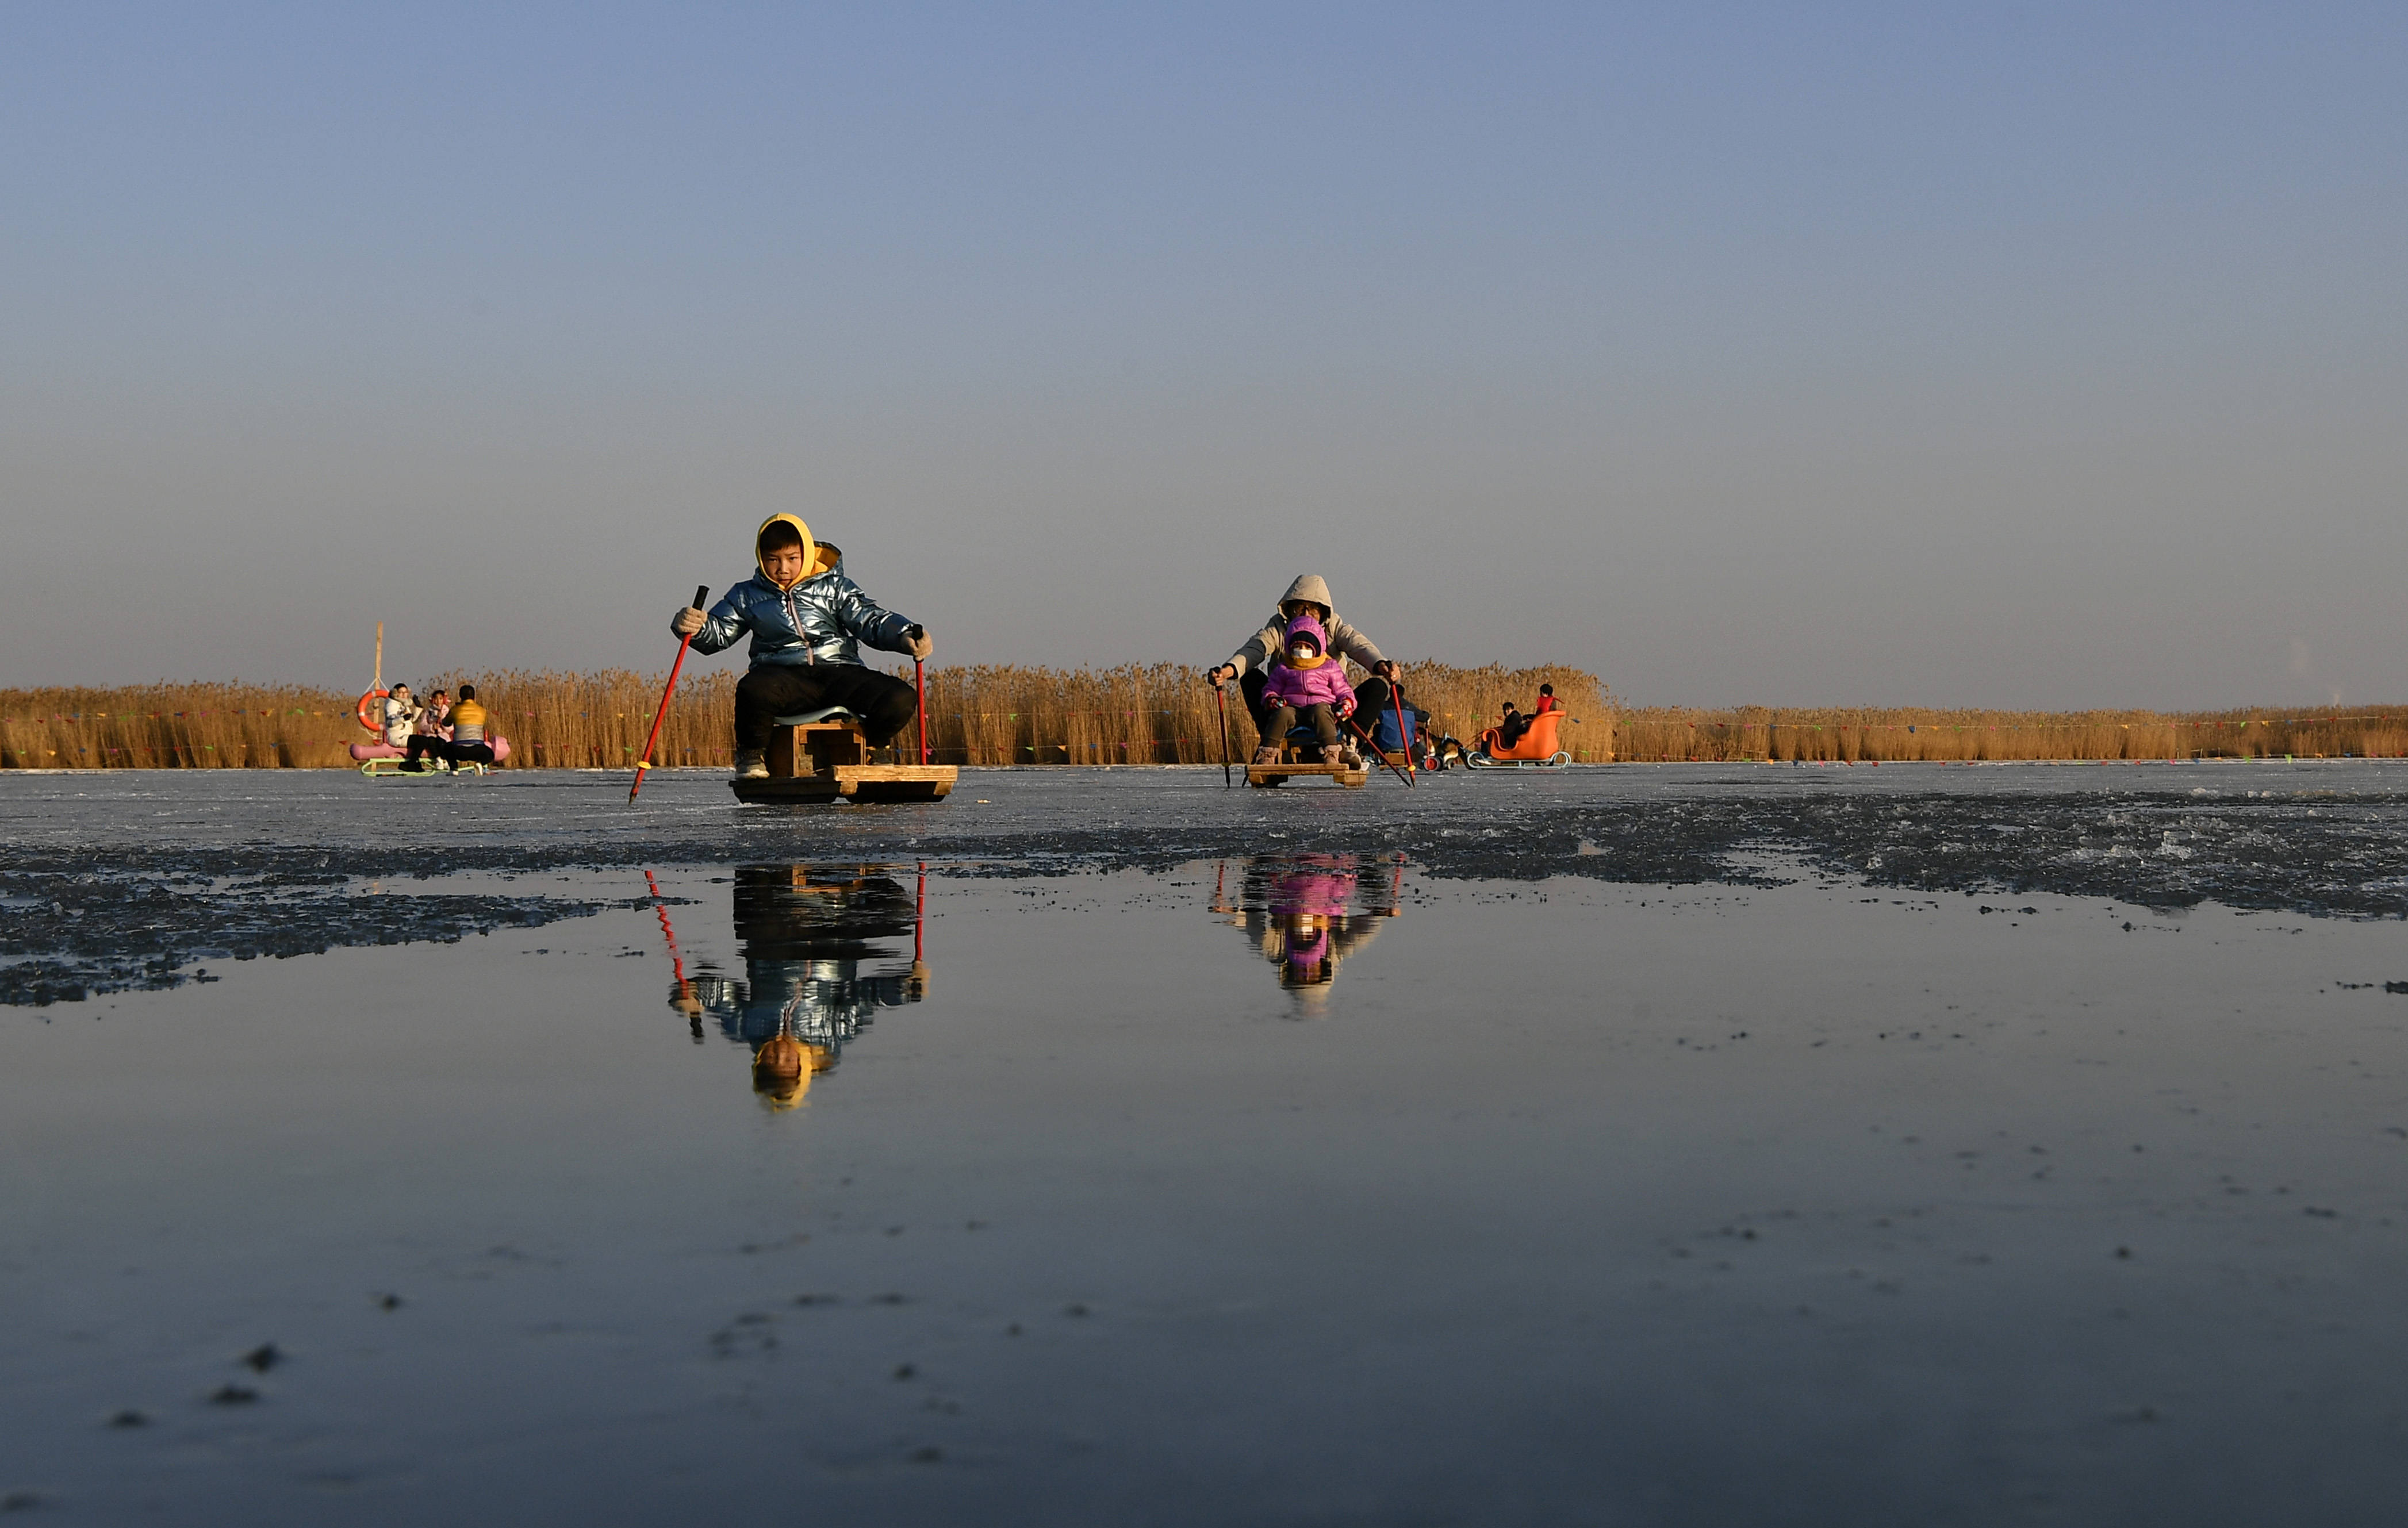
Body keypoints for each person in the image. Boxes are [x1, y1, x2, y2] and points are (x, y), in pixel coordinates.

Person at [671, 515, 935, 780]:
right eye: (773, 560)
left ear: (806, 555)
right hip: (783, 677)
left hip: (839, 671)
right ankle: (751, 755)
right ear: (761, 559)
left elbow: (871, 620)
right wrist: (695, 627)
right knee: (752, 690)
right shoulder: (746, 595)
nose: (783, 569)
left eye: (792, 559)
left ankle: (875, 747)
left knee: (900, 697)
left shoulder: (835, 587)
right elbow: (718, 635)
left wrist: (905, 634)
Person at [1209, 574, 1398, 765]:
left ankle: (1350, 742)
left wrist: (1381, 665)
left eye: (1314, 609)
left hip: (1330, 708)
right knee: (1250, 677)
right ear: (1289, 609)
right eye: (1300, 608)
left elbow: (1359, 646)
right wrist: (1227, 671)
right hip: (1286, 706)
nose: (1306, 614)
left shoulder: (1334, 626)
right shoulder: (1278, 627)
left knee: (1378, 686)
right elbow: (1255, 649)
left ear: (1324, 611)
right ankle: (1270, 741)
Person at [1252, 613, 1356, 766]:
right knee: (1282, 714)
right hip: (1292, 708)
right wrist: (1272, 698)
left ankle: (1331, 753)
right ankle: (1268, 753)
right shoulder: (1284, 668)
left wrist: (1346, 703)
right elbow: (1271, 688)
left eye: (1307, 647)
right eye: (1298, 647)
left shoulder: (1329, 666)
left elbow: (1343, 690)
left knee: (1321, 711)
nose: (1302, 650)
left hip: (1320, 706)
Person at [402, 684, 495, 771]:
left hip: (459, 750)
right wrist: (432, 726)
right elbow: (422, 725)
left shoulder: (454, 710)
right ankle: (479, 763)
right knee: (490, 754)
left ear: (460, 697)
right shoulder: (482, 711)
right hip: (478, 749)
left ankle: (454, 769)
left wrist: (442, 719)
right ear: (474, 697)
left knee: (447, 747)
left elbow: (447, 724)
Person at [378, 684, 420, 748]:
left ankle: (415, 758)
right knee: (421, 741)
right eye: (401, 692)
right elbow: (391, 723)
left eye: (405, 692)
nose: (403, 694)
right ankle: (414, 759)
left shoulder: (405, 706)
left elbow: (412, 720)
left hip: (406, 736)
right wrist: (403, 718)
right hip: (397, 737)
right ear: (395, 693)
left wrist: (418, 708)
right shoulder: (391, 705)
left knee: (423, 740)